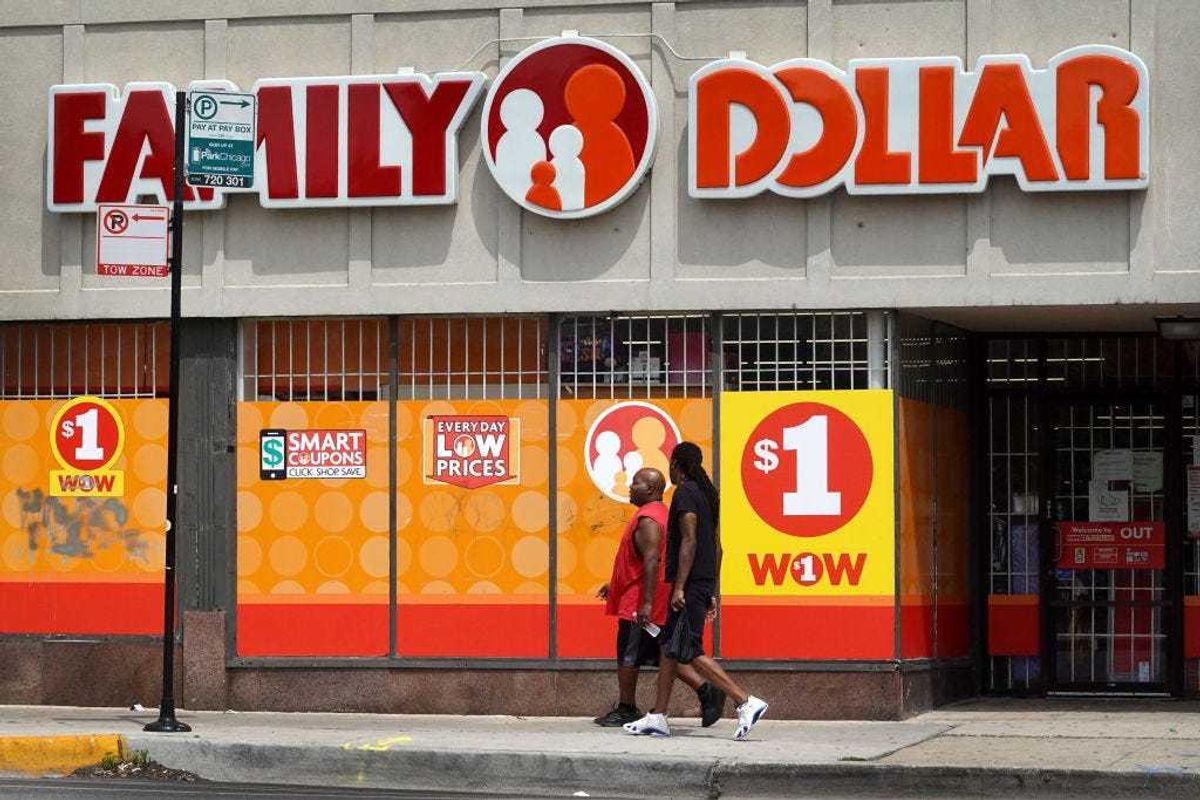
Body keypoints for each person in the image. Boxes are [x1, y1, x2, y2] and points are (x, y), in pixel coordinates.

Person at [624, 443, 768, 740]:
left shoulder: (686, 492)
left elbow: (689, 540)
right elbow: (717, 546)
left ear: (676, 465)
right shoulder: (706, 494)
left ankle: (744, 701)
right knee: (669, 647)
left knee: (688, 649)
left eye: (671, 464)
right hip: (700, 582)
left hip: (688, 584)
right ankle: (658, 716)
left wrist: (680, 586)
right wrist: (711, 589)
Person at [593, 467, 726, 728]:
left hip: (640, 601)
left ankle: (627, 707)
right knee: (663, 653)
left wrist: (645, 603)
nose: (630, 487)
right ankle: (707, 690)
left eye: (636, 483)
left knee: (629, 653)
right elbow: (642, 560)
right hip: (653, 598)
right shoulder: (663, 514)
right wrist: (615, 584)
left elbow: (652, 560)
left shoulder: (648, 519)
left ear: (652, 489)